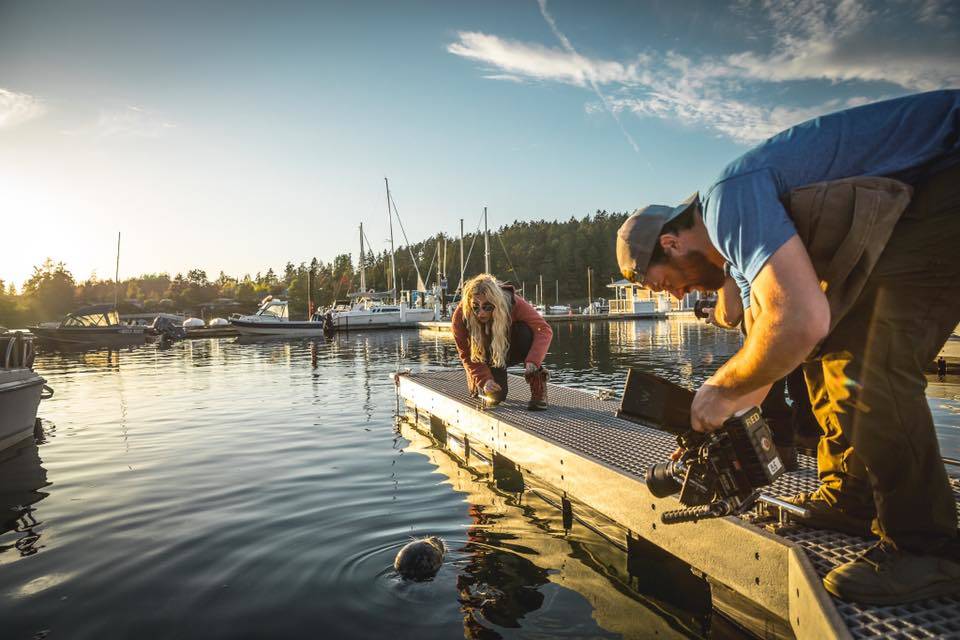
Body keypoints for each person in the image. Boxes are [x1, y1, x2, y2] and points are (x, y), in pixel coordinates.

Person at [616, 89, 960, 604]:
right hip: (928, 195)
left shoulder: (727, 200)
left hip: (947, 177)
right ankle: (851, 496)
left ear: (671, 242)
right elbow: (773, 341)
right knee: (828, 349)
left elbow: (799, 319)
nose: (678, 296)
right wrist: (721, 419)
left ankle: (928, 548)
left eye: (665, 284)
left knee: (868, 360)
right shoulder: (736, 252)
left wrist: (720, 389)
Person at [451, 274, 552, 410]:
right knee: (496, 396)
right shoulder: (460, 316)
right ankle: (476, 381)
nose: (481, 313)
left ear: (497, 303)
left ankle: (538, 381)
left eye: (487, 307)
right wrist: (484, 380)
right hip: (484, 355)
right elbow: (466, 354)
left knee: (525, 331)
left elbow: (543, 329)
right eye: (476, 307)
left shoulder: (512, 302)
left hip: (507, 347)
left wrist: (533, 360)